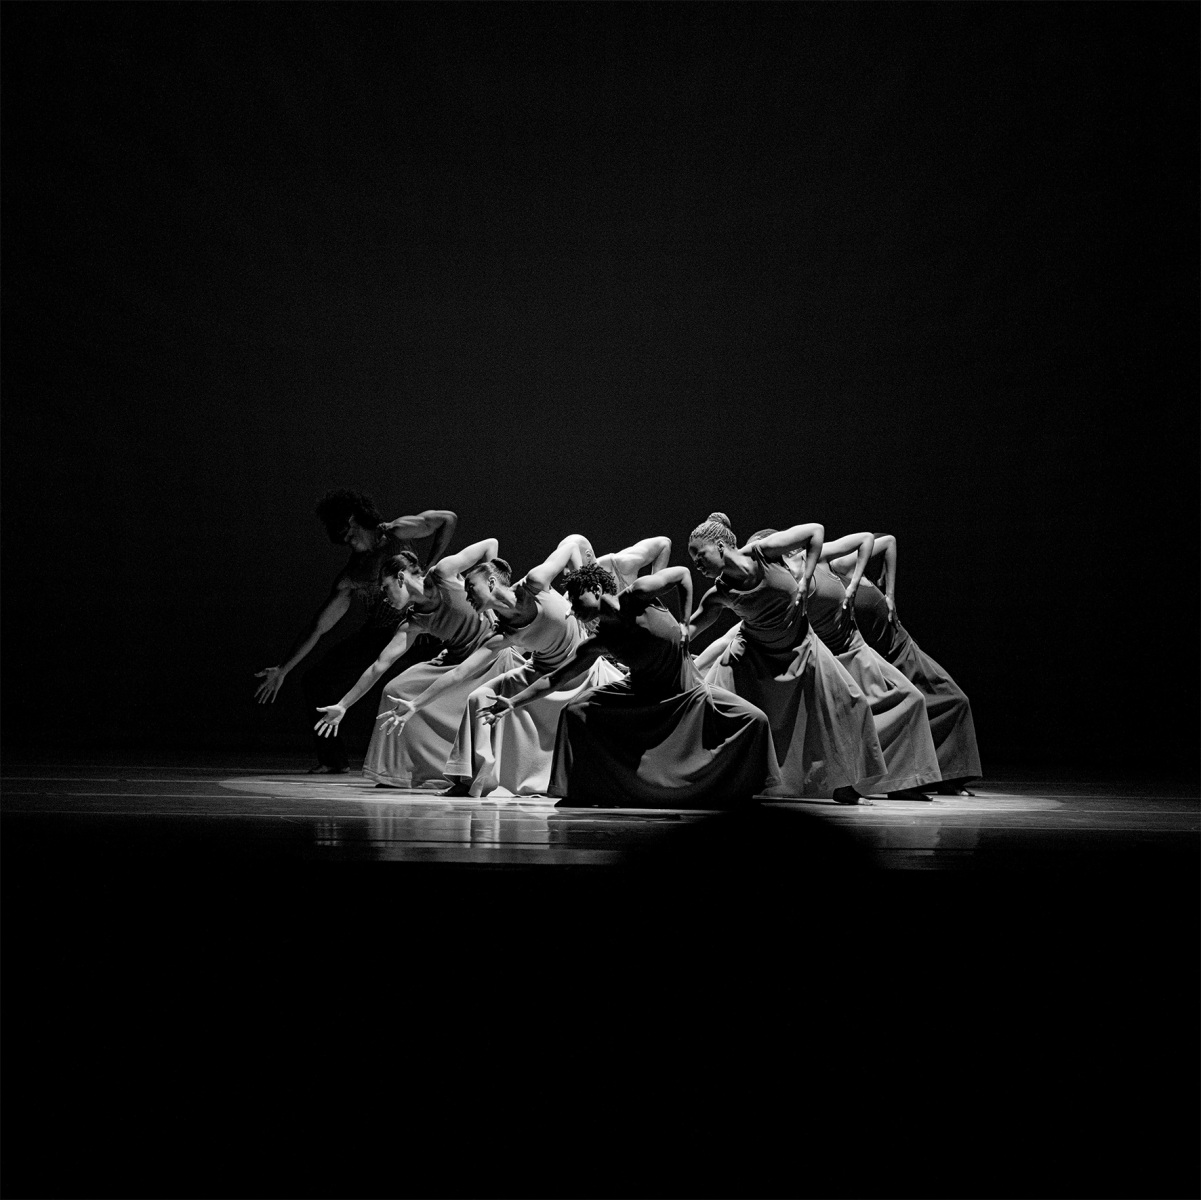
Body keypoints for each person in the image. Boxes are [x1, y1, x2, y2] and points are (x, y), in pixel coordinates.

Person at [483, 562, 778, 808]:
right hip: (642, 696)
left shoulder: (638, 594)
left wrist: (686, 623)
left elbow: (682, 576)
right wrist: (513, 701)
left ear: (595, 589)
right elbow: (555, 678)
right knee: (576, 710)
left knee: (755, 720)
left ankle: (737, 792)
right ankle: (585, 791)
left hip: (688, 692)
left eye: (575, 600)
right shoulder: (599, 641)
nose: (571, 609)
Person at [378, 534, 624, 797]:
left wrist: (580, 592)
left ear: (492, 582)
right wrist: (415, 704)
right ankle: (469, 780)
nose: (467, 595)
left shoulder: (535, 583)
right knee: (479, 698)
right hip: (542, 674)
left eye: (471, 587)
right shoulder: (501, 634)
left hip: (582, 668)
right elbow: (460, 672)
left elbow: (573, 544)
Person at [687, 513, 885, 804]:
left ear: (719, 546)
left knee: (852, 703)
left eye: (699, 554)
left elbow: (816, 531)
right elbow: (689, 629)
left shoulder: (763, 552)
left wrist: (805, 580)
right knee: (713, 710)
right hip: (752, 657)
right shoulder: (719, 593)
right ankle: (712, 781)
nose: (697, 563)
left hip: (802, 646)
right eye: (694, 560)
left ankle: (844, 786)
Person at [253, 490, 456, 773]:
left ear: (353, 520)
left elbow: (448, 519)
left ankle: (451, 756)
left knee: (446, 677)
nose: (350, 543)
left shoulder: (396, 532)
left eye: (349, 536)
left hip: (421, 628)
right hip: (382, 631)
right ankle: (332, 760)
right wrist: (284, 669)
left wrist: (431, 565)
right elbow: (320, 626)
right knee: (316, 680)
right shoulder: (353, 573)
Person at [312, 539, 525, 789]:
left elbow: (491, 544)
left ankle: (473, 767)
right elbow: (379, 665)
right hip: (456, 661)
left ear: (401, 578)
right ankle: (400, 773)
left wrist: (489, 599)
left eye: (386, 587)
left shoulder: (443, 573)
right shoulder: (413, 621)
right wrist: (343, 705)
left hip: (490, 657)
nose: (384, 597)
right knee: (395, 691)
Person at [766, 529, 942, 798]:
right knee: (852, 711)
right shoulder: (777, 583)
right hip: (825, 656)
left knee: (911, 698)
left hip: (855, 648)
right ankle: (846, 785)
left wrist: (854, 586)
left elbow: (868, 540)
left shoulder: (817, 557)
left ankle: (903, 782)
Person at [827, 534, 981, 794]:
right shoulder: (827, 578)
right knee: (908, 709)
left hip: (902, 647)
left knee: (954, 699)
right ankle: (910, 779)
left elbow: (889, 541)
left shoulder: (844, 564)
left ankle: (950, 776)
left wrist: (889, 595)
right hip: (879, 658)